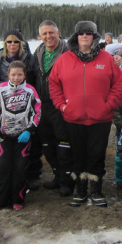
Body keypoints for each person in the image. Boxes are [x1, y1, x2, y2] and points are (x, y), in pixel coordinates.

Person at [49, 21, 122, 207]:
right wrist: (62, 105)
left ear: (94, 37)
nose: (84, 36)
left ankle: (97, 190)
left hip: (101, 118)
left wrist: (108, 106)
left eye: (88, 33)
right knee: (78, 155)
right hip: (73, 117)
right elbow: (54, 84)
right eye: (81, 33)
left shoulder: (107, 59)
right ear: (76, 37)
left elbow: (118, 86)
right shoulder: (64, 59)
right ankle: (81, 190)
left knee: (97, 154)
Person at [0, 61, 41, 212]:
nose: (16, 78)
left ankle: (17, 199)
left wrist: (30, 130)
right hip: (4, 135)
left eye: (20, 74)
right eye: (13, 74)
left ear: (24, 75)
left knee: (20, 168)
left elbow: (37, 112)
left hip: (23, 136)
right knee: (1, 168)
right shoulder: (0, 89)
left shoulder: (30, 90)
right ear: (8, 74)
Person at [0, 29, 40, 190]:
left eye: (15, 41)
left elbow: (34, 78)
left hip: (26, 103)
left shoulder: (29, 58)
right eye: (9, 41)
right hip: (5, 103)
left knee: (29, 144)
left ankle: (32, 175)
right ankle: (7, 181)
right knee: (6, 148)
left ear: (21, 43)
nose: (12, 44)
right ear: (5, 44)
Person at [33, 20, 75, 196]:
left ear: (58, 32)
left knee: (63, 144)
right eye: (45, 34)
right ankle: (58, 176)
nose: (48, 36)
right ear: (39, 36)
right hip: (42, 106)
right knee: (47, 145)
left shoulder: (69, 52)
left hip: (61, 105)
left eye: (51, 32)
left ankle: (68, 181)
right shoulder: (38, 52)